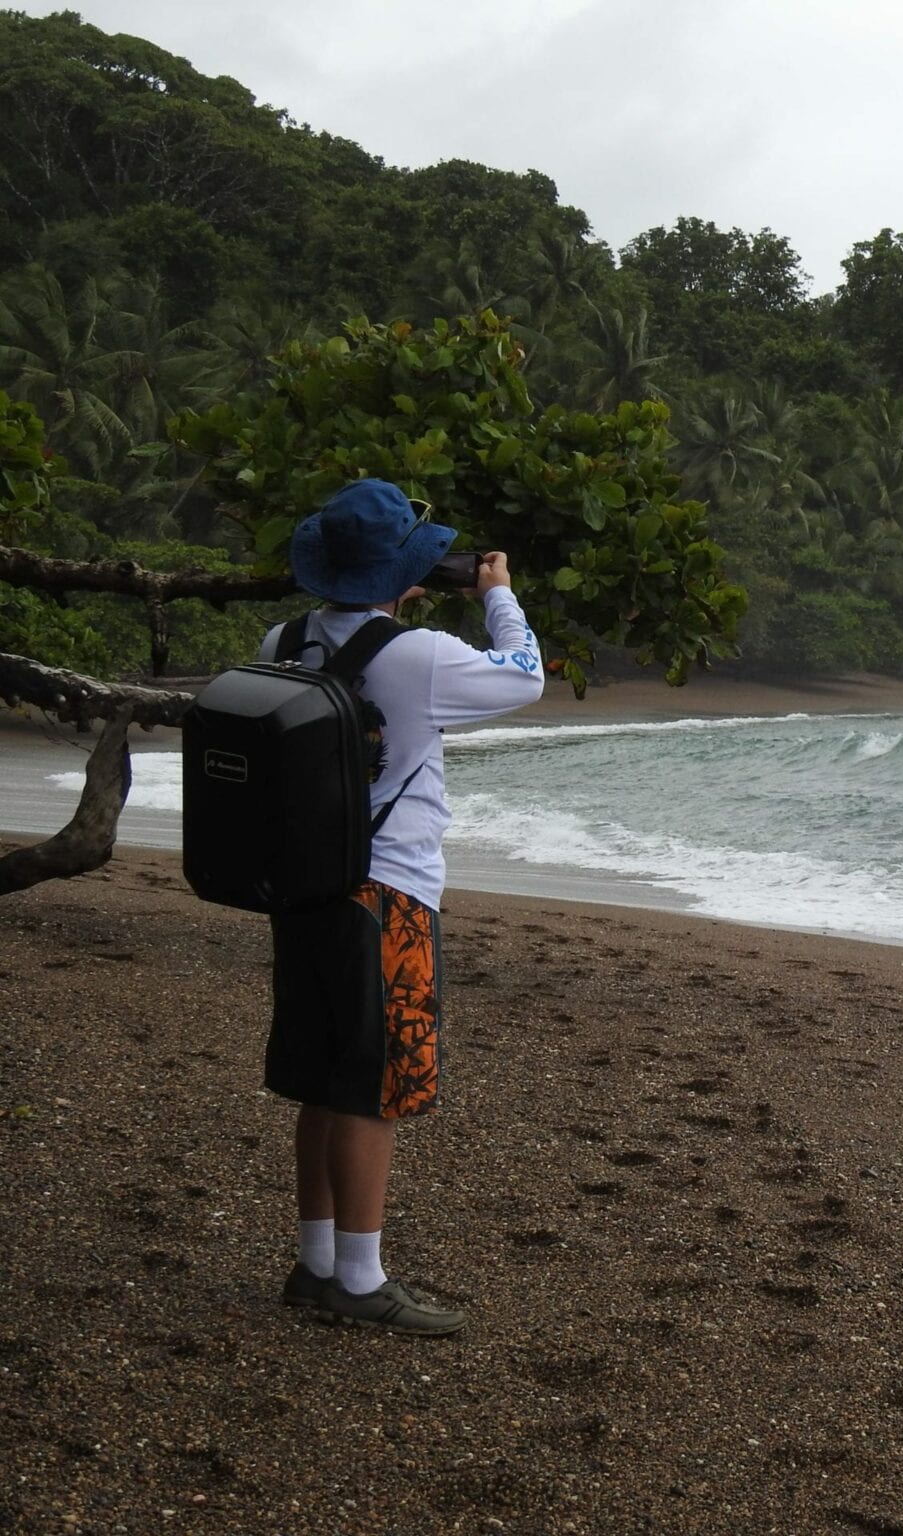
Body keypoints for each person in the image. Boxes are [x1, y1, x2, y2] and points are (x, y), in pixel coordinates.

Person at [264, 478, 544, 1335]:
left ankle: (318, 1264)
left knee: (321, 1077)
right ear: (402, 572)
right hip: (387, 892)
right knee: (372, 1089)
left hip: (305, 885)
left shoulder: (284, 638)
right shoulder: (418, 656)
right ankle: (360, 1277)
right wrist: (498, 595)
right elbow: (525, 676)